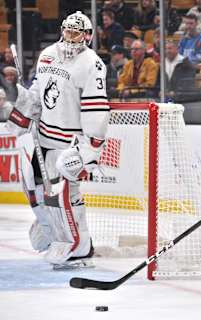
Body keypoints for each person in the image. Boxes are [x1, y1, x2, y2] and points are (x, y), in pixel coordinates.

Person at [5, 11, 109, 269]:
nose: (70, 37)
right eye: (67, 31)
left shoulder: (92, 64)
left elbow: (95, 109)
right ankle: (52, 231)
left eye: (76, 33)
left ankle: (81, 243)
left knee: (64, 193)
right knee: (33, 187)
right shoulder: (48, 54)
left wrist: (90, 150)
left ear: (87, 36)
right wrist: (22, 106)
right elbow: (38, 93)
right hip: (43, 136)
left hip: (68, 142)